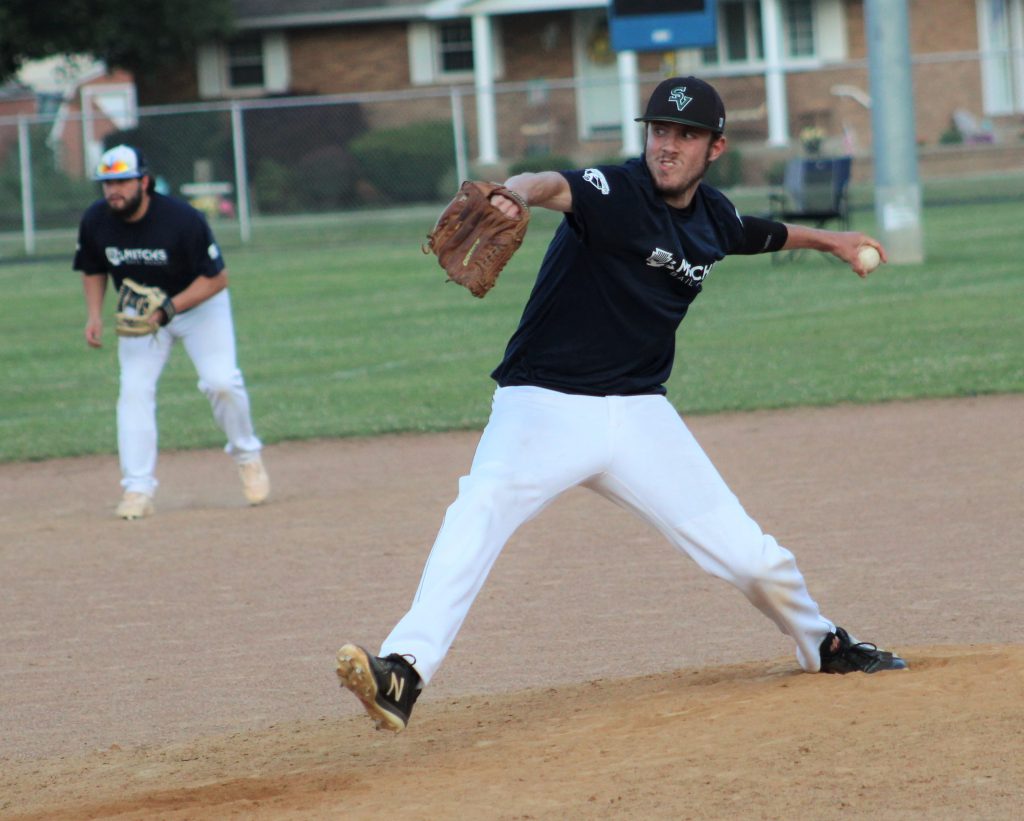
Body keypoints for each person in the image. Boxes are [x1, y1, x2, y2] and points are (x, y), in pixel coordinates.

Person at [336, 77, 905, 733]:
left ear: (714, 147)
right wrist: (511, 193)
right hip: (543, 401)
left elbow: (761, 232)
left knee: (750, 556)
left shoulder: (713, 218)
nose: (667, 145)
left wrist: (832, 242)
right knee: (479, 509)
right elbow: (552, 183)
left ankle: (824, 642)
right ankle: (404, 669)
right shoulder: (615, 190)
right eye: (659, 130)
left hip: (639, 415)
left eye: (685, 135)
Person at [74, 144, 269, 519]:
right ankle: (137, 489)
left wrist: (171, 308)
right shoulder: (96, 220)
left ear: (143, 181)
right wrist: (94, 315)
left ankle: (247, 455)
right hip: (140, 316)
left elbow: (217, 279)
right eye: (107, 182)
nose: (114, 190)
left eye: (122, 181)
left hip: (198, 306)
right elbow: (93, 266)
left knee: (221, 382)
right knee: (133, 391)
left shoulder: (182, 219)